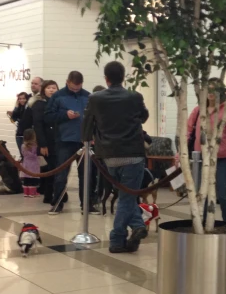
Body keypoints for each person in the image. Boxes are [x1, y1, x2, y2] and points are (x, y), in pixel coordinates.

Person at [82, 61, 149, 253]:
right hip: (133, 154)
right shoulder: (135, 96)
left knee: (124, 195)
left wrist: (86, 141)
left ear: (106, 78)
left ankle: (136, 227)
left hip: (109, 155)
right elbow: (143, 117)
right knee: (127, 198)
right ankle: (117, 239)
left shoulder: (95, 98)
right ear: (124, 77)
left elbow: (87, 124)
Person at [187, 78, 226, 223]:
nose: (211, 93)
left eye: (214, 90)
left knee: (222, 194)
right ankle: (202, 222)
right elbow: (188, 131)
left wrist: (225, 148)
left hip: (221, 159)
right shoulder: (198, 110)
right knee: (202, 193)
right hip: (200, 158)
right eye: (208, 89)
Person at [45, 71, 97, 215]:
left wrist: (93, 135)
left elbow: (95, 117)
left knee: (86, 175)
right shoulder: (57, 96)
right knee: (61, 175)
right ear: (67, 82)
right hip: (64, 141)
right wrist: (65, 115)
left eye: (78, 87)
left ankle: (87, 204)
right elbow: (48, 116)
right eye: (73, 88)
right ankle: (57, 204)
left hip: (84, 141)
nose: (75, 90)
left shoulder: (88, 96)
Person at [32, 80, 59, 204]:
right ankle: (48, 194)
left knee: (59, 168)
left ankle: (59, 192)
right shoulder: (39, 104)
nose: (52, 90)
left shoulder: (59, 103)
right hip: (47, 141)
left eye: (54, 88)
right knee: (50, 169)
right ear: (44, 90)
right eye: (49, 88)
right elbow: (38, 125)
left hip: (59, 141)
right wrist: (42, 144)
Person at [20, 129, 40, 198]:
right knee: (33, 178)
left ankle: (26, 192)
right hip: (33, 164)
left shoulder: (23, 145)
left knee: (26, 178)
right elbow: (34, 155)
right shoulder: (34, 146)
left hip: (25, 163)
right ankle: (32, 192)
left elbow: (23, 154)